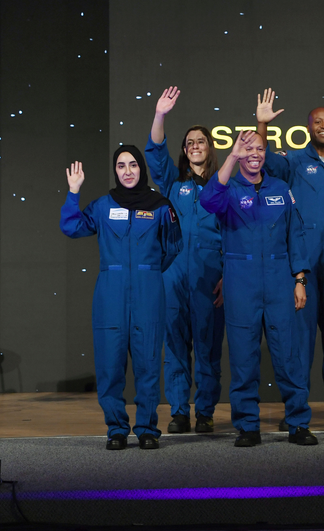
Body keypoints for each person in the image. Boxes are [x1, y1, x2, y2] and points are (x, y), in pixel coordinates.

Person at [255, 90, 324, 432]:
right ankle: (296, 413)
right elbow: (262, 159)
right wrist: (262, 123)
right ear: (308, 127)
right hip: (301, 265)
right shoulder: (293, 162)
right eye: (317, 121)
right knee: (298, 344)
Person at [199, 130, 317, 447]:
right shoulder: (228, 189)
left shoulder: (281, 188)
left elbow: (296, 235)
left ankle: (298, 423)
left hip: (280, 280)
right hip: (241, 280)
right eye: (248, 149)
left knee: (289, 357)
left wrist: (300, 279)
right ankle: (248, 426)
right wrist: (232, 156)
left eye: (260, 149)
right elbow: (207, 200)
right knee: (243, 359)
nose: (255, 154)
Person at [60, 148, 182, 450]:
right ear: (115, 170)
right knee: (109, 366)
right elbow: (72, 227)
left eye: (132, 165)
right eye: (121, 166)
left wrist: (149, 271)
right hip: (110, 296)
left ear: (141, 168)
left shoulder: (160, 206)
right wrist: (73, 192)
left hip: (148, 293)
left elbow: (174, 246)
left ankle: (147, 429)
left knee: (148, 365)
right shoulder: (102, 206)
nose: (127, 171)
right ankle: (116, 428)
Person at [145, 86, 225, 435]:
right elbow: (156, 152)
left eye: (201, 141)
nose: (194, 145)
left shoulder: (222, 188)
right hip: (174, 275)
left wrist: (229, 276)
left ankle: (204, 411)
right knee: (175, 344)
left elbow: (234, 236)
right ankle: (179, 411)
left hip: (211, 277)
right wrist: (160, 114)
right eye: (189, 142)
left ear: (210, 148)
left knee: (207, 347)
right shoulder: (172, 184)